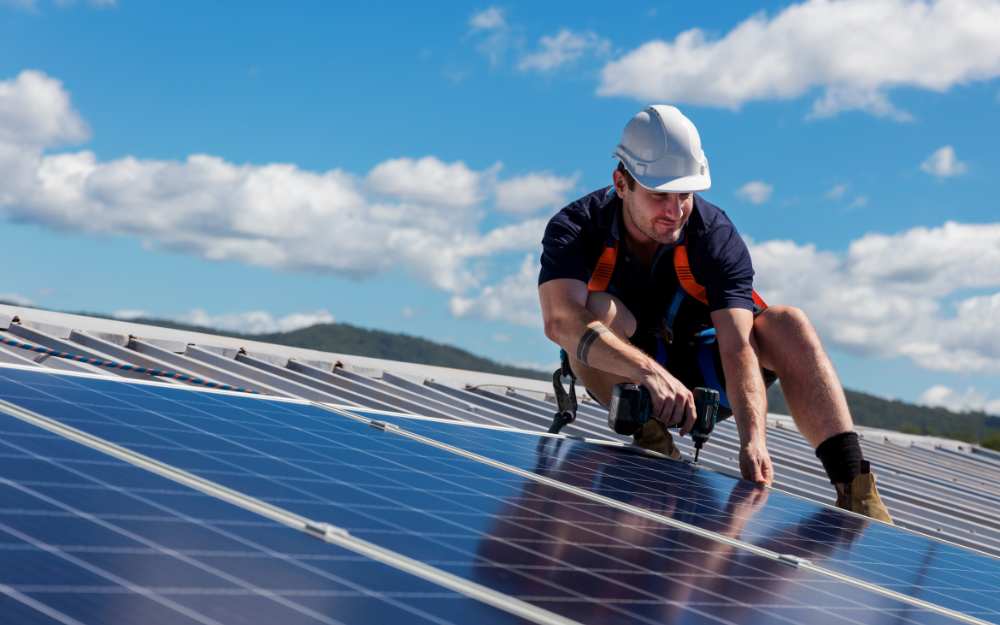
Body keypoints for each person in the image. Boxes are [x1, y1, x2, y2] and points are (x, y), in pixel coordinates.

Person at [537, 105, 892, 522]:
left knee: (787, 322)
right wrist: (648, 374)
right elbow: (559, 319)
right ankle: (651, 441)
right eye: (659, 196)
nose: (675, 211)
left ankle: (856, 489)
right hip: (632, 381)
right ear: (621, 183)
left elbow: (738, 345)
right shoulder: (578, 227)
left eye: (684, 194)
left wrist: (753, 440)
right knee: (591, 310)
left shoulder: (714, 236)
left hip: (710, 373)